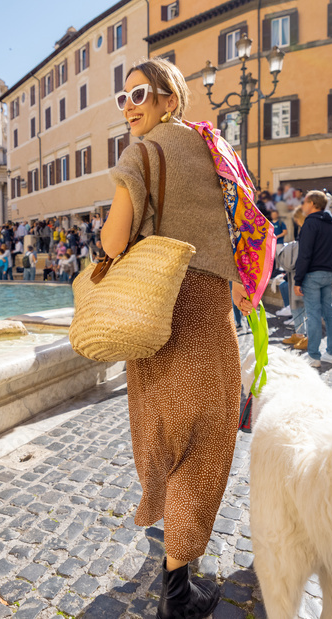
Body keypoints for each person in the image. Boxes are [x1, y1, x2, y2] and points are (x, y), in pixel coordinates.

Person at [99, 57, 250, 618]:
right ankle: (179, 586)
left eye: (139, 95)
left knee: (166, 438)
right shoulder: (216, 152)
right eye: (123, 99)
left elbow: (115, 240)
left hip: (163, 315)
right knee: (207, 446)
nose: (129, 107)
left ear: (170, 98)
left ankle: (177, 592)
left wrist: (109, 242)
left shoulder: (142, 151)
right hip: (213, 316)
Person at [294, 190, 332, 367]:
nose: (302, 206)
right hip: (329, 274)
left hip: (313, 275)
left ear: (311, 203)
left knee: (314, 314)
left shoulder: (310, 223)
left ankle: (314, 356)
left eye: (304, 202)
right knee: (329, 312)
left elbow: (304, 254)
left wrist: (298, 280)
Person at [278, 207, 309, 350]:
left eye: (296, 218)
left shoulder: (309, 230)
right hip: (299, 270)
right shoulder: (304, 229)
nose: (295, 221)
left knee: (303, 305)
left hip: (303, 271)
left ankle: (305, 337)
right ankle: (299, 334)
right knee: (297, 305)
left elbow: (304, 253)